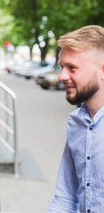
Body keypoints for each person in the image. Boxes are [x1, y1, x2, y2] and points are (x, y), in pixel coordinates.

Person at [48, 25, 104, 213]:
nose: (62, 76)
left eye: (72, 68)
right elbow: (66, 195)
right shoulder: (76, 121)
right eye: (62, 67)